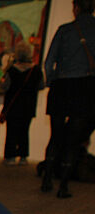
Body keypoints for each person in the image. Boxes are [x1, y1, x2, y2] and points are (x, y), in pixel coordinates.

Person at [41, 0, 95, 198]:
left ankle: (47, 178)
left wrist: (52, 82)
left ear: (76, 8)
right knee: (74, 140)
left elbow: (48, 62)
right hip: (85, 89)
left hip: (61, 87)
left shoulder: (65, 30)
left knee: (55, 136)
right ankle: (63, 184)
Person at [1, 42, 43, 166]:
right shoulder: (36, 70)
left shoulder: (12, 70)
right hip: (29, 106)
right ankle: (23, 156)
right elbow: (41, 86)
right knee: (24, 131)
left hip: (13, 106)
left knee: (11, 131)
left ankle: (10, 156)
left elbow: (5, 86)